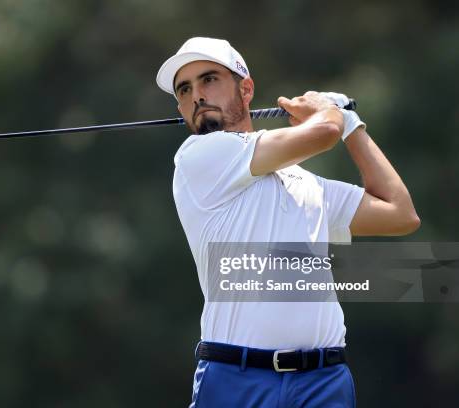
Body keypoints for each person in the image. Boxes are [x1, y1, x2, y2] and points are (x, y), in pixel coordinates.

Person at [156, 37, 420, 407]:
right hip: (236, 379)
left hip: (324, 381)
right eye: (185, 89)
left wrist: (352, 125)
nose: (197, 95)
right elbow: (323, 134)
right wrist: (330, 112)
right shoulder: (198, 157)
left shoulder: (305, 184)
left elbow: (400, 213)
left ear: (245, 89)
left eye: (209, 79)